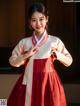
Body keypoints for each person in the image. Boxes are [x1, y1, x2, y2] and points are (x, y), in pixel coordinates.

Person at [7, 2, 73, 106]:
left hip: (49, 83)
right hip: (29, 81)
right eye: (34, 20)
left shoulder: (55, 41)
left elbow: (69, 61)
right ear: (30, 22)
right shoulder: (24, 42)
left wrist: (57, 55)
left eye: (41, 19)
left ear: (47, 19)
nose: (38, 23)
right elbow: (12, 61)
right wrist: (26, 55)